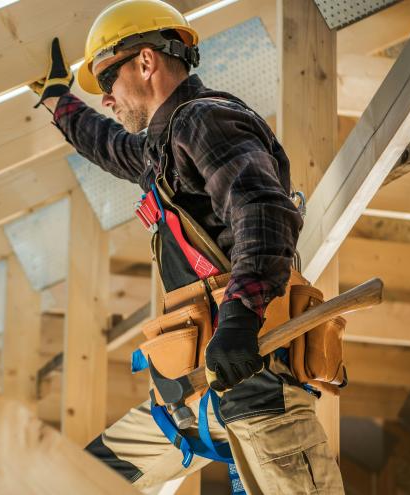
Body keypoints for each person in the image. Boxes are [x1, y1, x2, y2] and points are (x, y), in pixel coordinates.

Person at [30, 1, 344, 493]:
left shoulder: (204, 120)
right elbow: (107, 144)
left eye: (107, 82)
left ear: (146, 62)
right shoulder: (164, 148)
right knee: (75, 480)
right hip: (196, 396)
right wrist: (57, 102)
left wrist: (240, 319)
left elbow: (261, 210)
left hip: (258, 392)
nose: (106, 100)